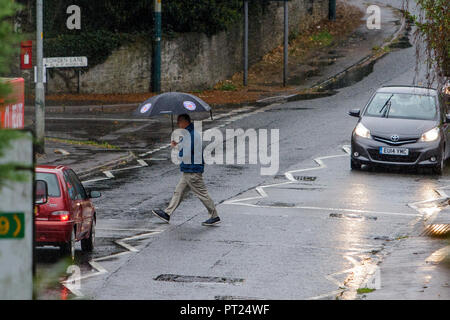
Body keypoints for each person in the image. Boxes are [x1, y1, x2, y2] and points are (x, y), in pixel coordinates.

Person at [152, 114, 221, 226]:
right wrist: (177, 145)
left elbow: (186, 153)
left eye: (179, 122)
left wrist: (178, 153)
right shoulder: (191, 134)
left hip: (192, 170)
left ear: (184, 122)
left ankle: (214, 216)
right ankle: (167, 213)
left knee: (202, 194)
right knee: (178, 192)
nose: (178, 125)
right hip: (189, 169)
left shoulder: (190, 135)